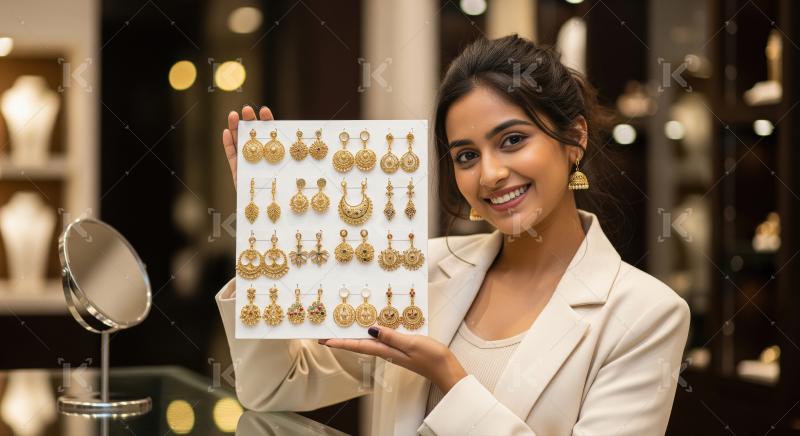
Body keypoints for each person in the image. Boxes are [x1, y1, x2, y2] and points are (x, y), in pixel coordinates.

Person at [216, 34, 690, 436]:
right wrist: (269, 230)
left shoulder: (645, 314)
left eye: (512, 140)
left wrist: (448, 375)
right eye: (466, 155)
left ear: (575, 139)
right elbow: (274, 389)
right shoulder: (420, 269)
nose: (490, 174)